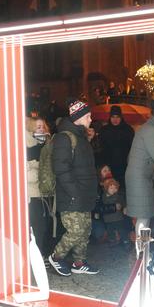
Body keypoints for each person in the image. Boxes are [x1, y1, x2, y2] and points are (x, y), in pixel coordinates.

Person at [47, 99, 99, 276]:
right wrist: (75, 193)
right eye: (88, 116)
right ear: (78, 117)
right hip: (72, 196)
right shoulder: (64, 137)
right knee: (76, 230)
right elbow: (61, 169)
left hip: (84, 194)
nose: (91, 119)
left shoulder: (80, 136)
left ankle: (79, 262)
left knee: (85, 230)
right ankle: (56, 256)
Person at [125, 99, 154, 239]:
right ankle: (141, 250)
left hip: (142, 176)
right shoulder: (151, 130)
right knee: (143, 216)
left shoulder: (152, 127)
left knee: (145, 215)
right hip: (139, 178)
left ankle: (142, 249)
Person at [26, 117, 53, 259]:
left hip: (46, 193)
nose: (41, 129)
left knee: (45, 226)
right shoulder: (26, 146)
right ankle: (36, 256)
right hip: (32, 195)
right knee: (36, 226)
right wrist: (40, 171)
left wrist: (36, 168)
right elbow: (24, 173)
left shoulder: (48, 145)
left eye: (42, 126)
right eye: (37, 127)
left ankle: (41, 255)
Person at [99, 105, 134, 187]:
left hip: (124, 167)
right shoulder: (104, 130)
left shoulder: (128, 130)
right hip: (108, 168)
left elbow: (132, 149)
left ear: (121, 117)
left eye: (117, 117)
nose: (115, 120)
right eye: (113, 117)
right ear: (110, 117)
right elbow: (100, 149)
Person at [100, 178, 131, 247]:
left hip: (118, 218)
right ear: (106, 189)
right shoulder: (103, 197)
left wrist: (125, 207)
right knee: (110, 231)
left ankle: (126, 241)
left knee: (121, 230)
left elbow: (123, 202)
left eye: (115, 188)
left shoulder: (118, 196)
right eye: (111, 188)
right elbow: (103, 205)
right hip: (108, 219)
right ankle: (112, 240)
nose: (113, 189)